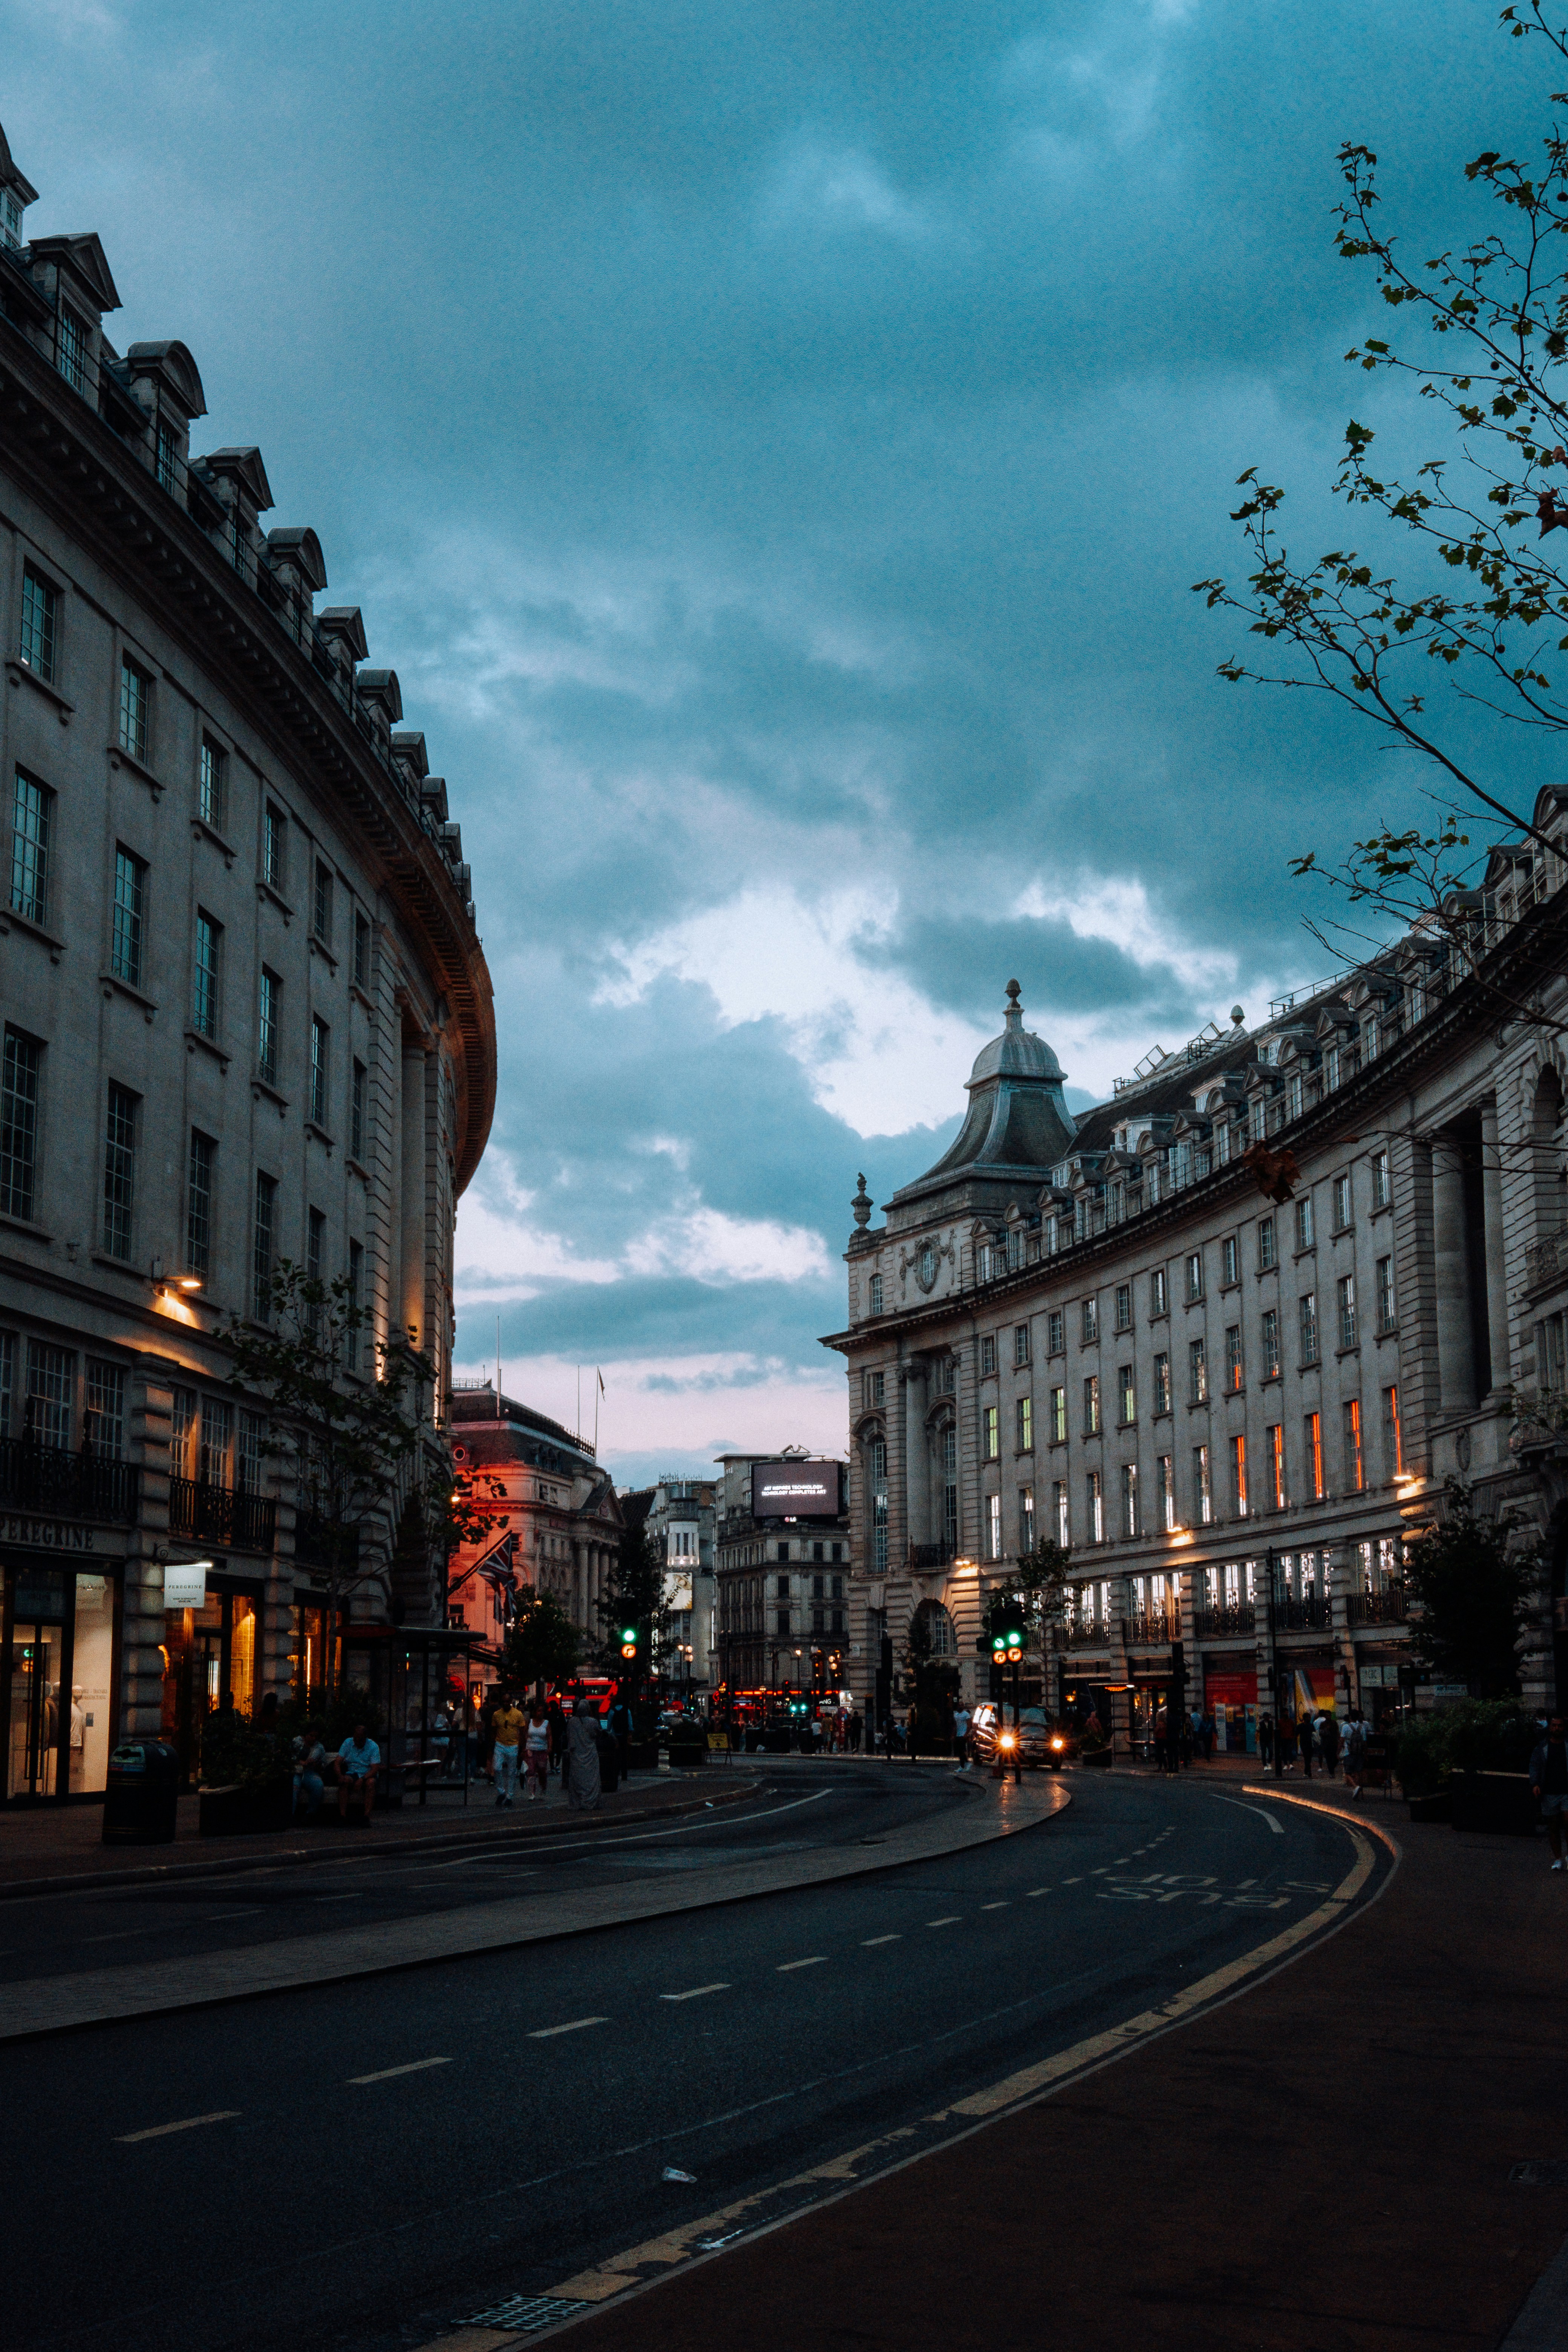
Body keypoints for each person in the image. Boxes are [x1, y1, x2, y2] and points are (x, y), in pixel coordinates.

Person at [1531, 1716, 1568, 1868]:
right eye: (1554, 1726)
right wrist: (1535, 1784)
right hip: (1549, 1792)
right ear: (1550, 1727)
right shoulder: (1543, 1747)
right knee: (1553, 1827)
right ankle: (1558, 1858)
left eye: (1560, 1726)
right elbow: (1535, 1765)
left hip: (1566, 1791)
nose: (1557, 1729)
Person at [335, 1722, 380, 1823]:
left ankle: (366, 1816)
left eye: (360, 1740)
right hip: (351, 1772)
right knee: (344, 1782)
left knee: (371, 1783)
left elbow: (375, 1768)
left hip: (366, 1773)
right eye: (356, 1739)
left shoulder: (373, 1747)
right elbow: (338, 1762)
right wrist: (340, 1775)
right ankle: (342, 1815)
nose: (357, 1742)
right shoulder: (348, 1743)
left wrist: (363, 1779)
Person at [566, 1699, 602, 1811]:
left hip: (576, 1755)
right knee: (591, 1778)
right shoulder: (593, 1722)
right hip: (590, 1754)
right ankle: (590, 1801)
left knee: (577, 1778)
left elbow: (570, 1739)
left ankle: (577, 1802)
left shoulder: (572, 1722)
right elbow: (598, 1734)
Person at [491, 1695, 525, 1808]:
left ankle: (510, 1796)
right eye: (504, 1702)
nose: (506, 1704)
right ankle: (501, 1791)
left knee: (512, 1772)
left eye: (508, 1702)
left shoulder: (518, 1714)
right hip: (500, 1744)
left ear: (511, 1702)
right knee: (497, 1768)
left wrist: (521, 1747)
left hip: (513, 1745)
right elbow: (494, 1730)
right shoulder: (497, 1715)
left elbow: (522, 1731)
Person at [293, 1722, 327, 1819]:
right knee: (294, 1788)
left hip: (310, 1772)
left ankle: (311, 1815)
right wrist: (300, 1762)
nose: (313, 1739)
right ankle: (291, 1815)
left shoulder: (319, 1748)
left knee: (318, 1786)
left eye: (316, 1737)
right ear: (306, 1735)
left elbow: (324, 1764)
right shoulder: (296, 1742)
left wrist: (316, 1765)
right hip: (296, 1771)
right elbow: (289, 1757)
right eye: (311, 1736)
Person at [523, 1699, 551, 1801]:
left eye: (542, 1711)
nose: (541, 1713)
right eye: (539, 1711)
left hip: (542, 1750)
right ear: (534, 1712)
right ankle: (532, 1792)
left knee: (542, 1770)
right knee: (531, 1771)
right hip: (531, 1749)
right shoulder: (530, 1722)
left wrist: (550, 1747)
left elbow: (549, 1736)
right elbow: (525, 1733)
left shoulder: (546, 1723)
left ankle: (543, 1786)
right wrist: (525, 1745)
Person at [1344, 1709, 1367, 1799]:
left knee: (1347, 1772)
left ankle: (1355, 1787)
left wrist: (1338, 1752)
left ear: (1350, 1717)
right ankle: (1357, 1788)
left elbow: (1342, 1740)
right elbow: (1365, 1742)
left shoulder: (1346, 1727)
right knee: (1358, 1772)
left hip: (1349, 1753)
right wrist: (1366, 1754)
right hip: (1360, 1753)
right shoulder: (1362, 1727)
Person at [1318, 1709, 1342, 1781]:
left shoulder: (1334, 1723)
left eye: (1330, 1715)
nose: (1329, 1717)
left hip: (1334, 1743)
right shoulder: (1323, 1724)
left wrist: (1339, 1740)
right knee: (1328, 1758)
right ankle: (1331, 1772)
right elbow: (1321, 1733)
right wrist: (1326, 1730)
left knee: (1335, 1758)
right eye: (1327, 1715)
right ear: (1325, 1716)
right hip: (1326, 1744)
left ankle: (1332, 1769)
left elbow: (1338, 1732)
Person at [1296, 1710, 1315, 1779]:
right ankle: (1307, 1771)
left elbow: (1314, 1734)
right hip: (1304, 1744)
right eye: (1308, 1718)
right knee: (1307, 1757)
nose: (1309, 1719)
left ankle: (1308, 1771)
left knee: (1309, 1758)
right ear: (1304, 1718)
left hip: (1311, 1744)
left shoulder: (1311, 1726)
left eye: (1310, 1717)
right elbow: (1296, 1734)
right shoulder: (1300, 1726)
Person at [953, 1700, 972, 1768]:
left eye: (962, 1705)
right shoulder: (956, 1715)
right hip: (958, 1735)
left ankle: (963, 1765)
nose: (960, 1707)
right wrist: (954, 1735)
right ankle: (965, 1762)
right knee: (960, 1751)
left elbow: (970, 1725)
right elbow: (955, 1726)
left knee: (962, 1750)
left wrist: (966, 1734)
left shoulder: (966, 1715)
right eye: (959, 1705)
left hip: (963, 1735)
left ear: (963, 1706)